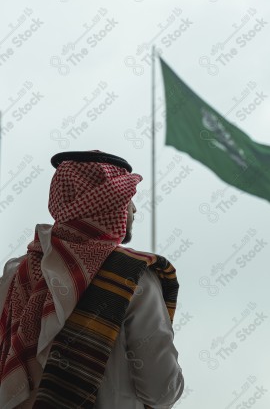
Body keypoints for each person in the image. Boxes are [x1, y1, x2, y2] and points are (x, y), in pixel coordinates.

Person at [0, 150, 184, 409]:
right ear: (110, 202)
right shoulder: (133, 276)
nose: (134, 208)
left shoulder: (14, 276)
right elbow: (161, 390)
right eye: (129, 199)